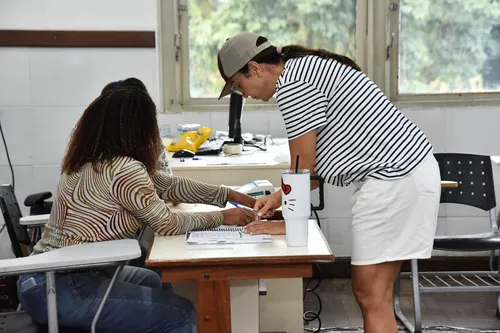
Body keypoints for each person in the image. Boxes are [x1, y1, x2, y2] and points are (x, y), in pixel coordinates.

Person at [216, 32, 440, 333]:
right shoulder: (302, 68)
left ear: (255, 68)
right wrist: (277, 199)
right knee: (374, 294)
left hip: (395, 179)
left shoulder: (293, 85)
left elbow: (304, 169)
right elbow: (308, 169)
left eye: (240, 86)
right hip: (403, 175)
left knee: (371, 295)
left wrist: (289, 224)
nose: (245, 95)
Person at [17, 87, 257, 332]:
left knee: (151, 279)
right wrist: (223, 216)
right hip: (63, 289)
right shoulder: (123, 169)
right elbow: (167, 224)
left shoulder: (89, 161)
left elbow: (170, 185)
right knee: (181, 315)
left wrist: (229, 194)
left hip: (40, 283)